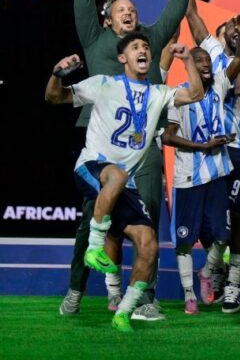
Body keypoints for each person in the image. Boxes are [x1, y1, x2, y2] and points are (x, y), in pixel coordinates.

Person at [62, 0, 199, 320]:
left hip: (144, 143)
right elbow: (82, 0)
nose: (128, 13)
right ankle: (77, 290)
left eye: (133, 9)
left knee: (147, 217)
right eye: (121, 9)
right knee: (92, 221)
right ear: (108, 19)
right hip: (100, 140)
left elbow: (175, 10)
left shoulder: (148, 41)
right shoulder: (96, 38)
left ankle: (145, 297)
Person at [46, 33, 205, 331]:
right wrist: (57, 75)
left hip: (124, 185)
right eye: (135, 47)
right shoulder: (104, 84)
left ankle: (124, 311)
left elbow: (195, 94)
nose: (142, 50)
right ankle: (94, 247)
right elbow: (54, 97)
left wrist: (187, 61)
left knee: (149, 244)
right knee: (117, 175)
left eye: (146, 47)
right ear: (123, 58)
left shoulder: (158, 93)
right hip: (92, 167)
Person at [183, 0, 240, 313]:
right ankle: (217, 271)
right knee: (213, 221)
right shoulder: (213, 56)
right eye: (230, 28)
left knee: (239, 219)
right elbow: (192, 16)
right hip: (213, 150)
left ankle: (233, 284)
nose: (237, 30)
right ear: (220, 35)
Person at [161, 47, 236, 314]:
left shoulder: (218, 88)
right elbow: (167, 137)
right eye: (199, 60)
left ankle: (206, 272)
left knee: (223, 235)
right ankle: (189, 295)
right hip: (188, 178)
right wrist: (203, 146)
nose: (205, 64)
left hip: (217, 173)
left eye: (208, 60)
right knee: (184, 241)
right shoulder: (178, 95)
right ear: (189, 65)